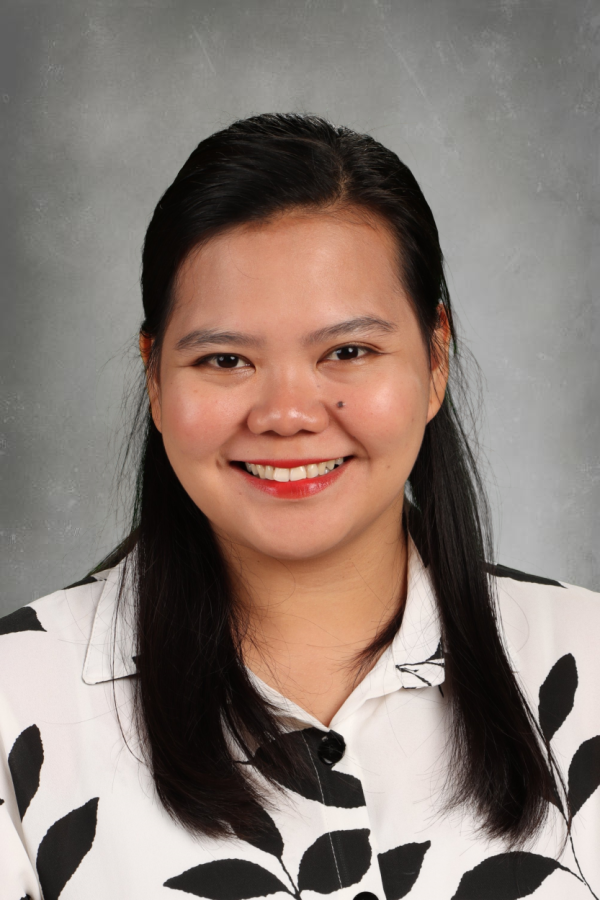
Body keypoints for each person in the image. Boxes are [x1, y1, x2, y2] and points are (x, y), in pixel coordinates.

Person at [0, 114, 598, 900]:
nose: (286, 413)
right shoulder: (15, 700)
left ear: (436, 357)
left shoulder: (586, 662)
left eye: (348, 352)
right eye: (225, 359)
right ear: (155, 378)